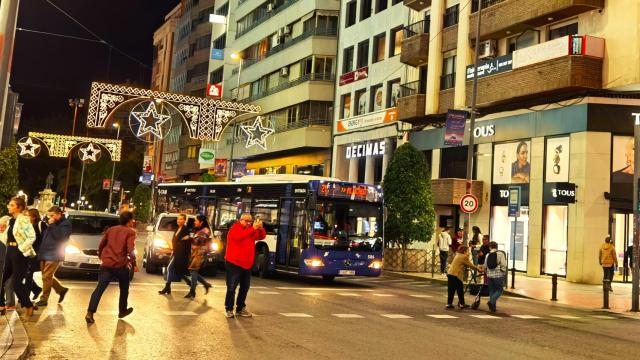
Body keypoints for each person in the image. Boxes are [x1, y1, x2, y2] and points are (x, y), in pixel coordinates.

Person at [85, 211, 137, 324]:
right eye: (132, 219)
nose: (133, 221)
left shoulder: (111, 230)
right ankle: (122, 310)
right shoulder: (130, 232)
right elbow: (130, 250)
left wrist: (102, 257)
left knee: (99, 289)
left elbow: (101, 245)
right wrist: (133, 263)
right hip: (120, 265)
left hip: (107, 264)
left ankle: (90, 312)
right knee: (124, 289)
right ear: (129, 221)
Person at [0, 197, 37, 317]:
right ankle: (1, 305)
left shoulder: (24, 220)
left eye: (11, 205)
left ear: (19, 207)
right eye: (9, 205)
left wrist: (21, 249)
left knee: (16, 283)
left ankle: (28, 305)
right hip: (9, 251)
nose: (8, 207)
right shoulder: (11, 221)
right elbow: (5, 237)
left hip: (19, 252)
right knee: (1, 279)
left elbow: (32, 237)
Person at [224, 213, 266, 318]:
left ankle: (240, 308)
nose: (248, 223)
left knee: (244, 288)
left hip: (247, 264)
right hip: (234, 263)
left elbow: (261, 236)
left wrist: (260, 228)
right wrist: (253, 228)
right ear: (240, 220)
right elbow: (239, 237)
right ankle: (229, 309)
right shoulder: (235, 228)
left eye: (250, 221)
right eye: (246, 221)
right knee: (231, 288)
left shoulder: (250, 230)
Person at [35, 206, 72, 307]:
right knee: (46, 276)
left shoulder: (66, 224)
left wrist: (52, 225)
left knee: (47, 276)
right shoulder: (53, 223)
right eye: (49, 215)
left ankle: (44, 299)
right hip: (45, 252)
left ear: (59, 214)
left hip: (54, 253)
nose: (50, 217)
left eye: (52, 215)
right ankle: (61, 289)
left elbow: (60, 238)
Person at [159, 214, 192, 295]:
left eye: (181, 219)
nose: (178, 221)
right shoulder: (177, 228)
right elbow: (175, 241)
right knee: (179, 271)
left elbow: (187, 243)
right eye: (178, 219)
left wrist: (187, 239)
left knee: (171, 268)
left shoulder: (185, 230)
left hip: (181, 254)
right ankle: (169, 288)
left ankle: (167, 287)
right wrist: (173, 250)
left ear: (185, 220)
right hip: (176, 252)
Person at [184, 214, 212, 299]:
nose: (195, 222)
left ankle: (192, 291)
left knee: (193, 271)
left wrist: (189, 239)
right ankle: (205, 284)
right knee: (193, 271)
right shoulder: (200, 230)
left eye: (196, 220)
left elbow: (198, 242)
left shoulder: (205, 230)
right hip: (195, 253)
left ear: (201, 222)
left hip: (199, 254)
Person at [446, 245, 482, 310]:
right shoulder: (464, 257)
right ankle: (462, 304)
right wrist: (479, 269)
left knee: (451, 290)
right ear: (464, 251)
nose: (468, 252)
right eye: (467, 251)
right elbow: (471, 265)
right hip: (456, 275)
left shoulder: (457, 255)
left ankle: (449, 304)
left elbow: (459, 264)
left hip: (450, 274)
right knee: (460, 290)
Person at [26, 209, 45, 301]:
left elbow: (45, 239)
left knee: (28, 273)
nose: (26, 217)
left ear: (33, 216)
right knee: (26, 273)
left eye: (28, 215)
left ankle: (26, 296)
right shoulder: (28, 225)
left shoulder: (41, 224)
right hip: (28, 252)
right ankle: (36, 289)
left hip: (36, 254)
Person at [485, 241, 507, 313]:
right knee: (500, 290)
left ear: (490, 247)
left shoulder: (487, 255)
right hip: (498, 275)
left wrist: (487, 273)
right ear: (497, 247)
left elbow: (485, 265)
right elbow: (503, 264)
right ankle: (491, 302)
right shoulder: (500, 254)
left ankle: (493, 308)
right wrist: (503, 272)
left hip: (489, 275)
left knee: (491, 290)